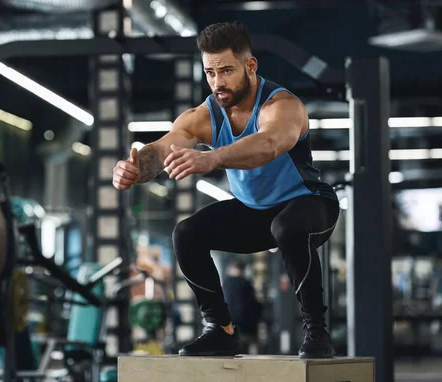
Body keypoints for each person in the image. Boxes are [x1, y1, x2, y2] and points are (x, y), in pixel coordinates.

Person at [112, 22, 340, 358]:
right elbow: (161, 151)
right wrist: (133, 167)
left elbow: (268, 143)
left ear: (250, 66)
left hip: (309, 205)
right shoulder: (203, 115)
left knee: (287, 227)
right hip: (255, 213)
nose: (218, 82)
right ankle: (220, 330)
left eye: (227, 70)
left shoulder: (282, 106)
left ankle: (316, 330)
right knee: (187, 233)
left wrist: (213, 158)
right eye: (210, 72)